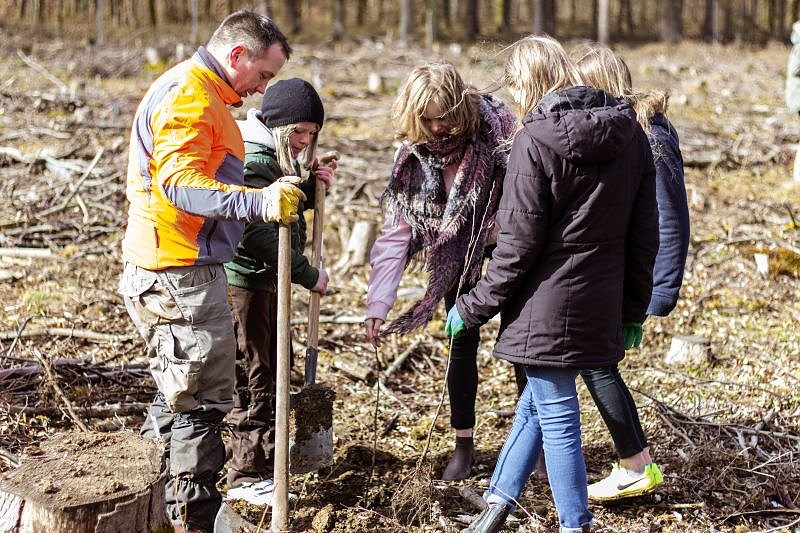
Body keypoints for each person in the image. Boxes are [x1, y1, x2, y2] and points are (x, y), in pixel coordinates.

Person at [446, 35, 659, 533]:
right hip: (600, 299)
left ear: (528, 84)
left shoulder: (533, 140)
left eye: (516, 85)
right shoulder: (632, 137)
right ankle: (498, 502)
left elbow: (516, 245)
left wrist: (472, 306)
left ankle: (574, 523)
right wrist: (631, 308)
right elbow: (644, 236)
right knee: (535, 407)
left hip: (545, 305)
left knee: (557, 415)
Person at [117, 11, 303, 533]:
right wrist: (258, 203)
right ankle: (188, 518)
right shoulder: (190, 97)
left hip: (176, 267)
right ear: (237, 56)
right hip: (179, 272)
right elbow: (180, 185)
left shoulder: (202, 93)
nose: (263, 88)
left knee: (177, 392)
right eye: (263, 76)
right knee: (199, 402)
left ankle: (145, 504)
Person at [364, 62, 517, 481]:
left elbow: (526, 197)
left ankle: (534, 442)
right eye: (426, 119)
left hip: (512, 245)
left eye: (445, 116)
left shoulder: (498, 131)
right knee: (460, 341)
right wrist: (379, 303)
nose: (436, 127)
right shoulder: (410, 159)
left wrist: (503, 238)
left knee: (523, 344)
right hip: (457, 253)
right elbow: (396, 235)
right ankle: (463, 444)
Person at [574, 44, 690, 501]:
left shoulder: (649, 136)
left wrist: (654, 297)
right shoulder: (621, 133)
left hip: (624, 277)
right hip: (610, 269)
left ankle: (635, 463)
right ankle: (631, 461)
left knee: (595, 361)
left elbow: (670, 216)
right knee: (587, 360)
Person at [223, 77, 335, 505]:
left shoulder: (275, 155)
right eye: (298, 133)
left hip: (265, 281)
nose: (305, 141)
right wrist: (307, 274)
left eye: (311, 134)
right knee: (253, 375)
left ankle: (269, 461)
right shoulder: (254, 158)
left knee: (271, 369)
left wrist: (310, 188)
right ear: (276, 126)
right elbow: (255, 229)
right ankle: (245, 474)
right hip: (246, 283)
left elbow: (280, 201)